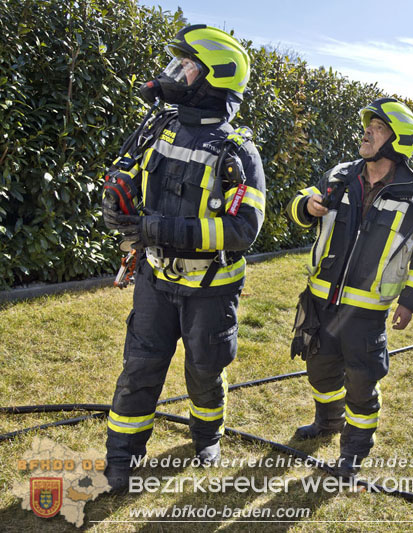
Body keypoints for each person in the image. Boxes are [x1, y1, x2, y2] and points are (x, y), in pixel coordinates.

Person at [100, 25, 265, 492]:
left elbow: (242, 230)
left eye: (186, 66)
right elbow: (127, 172)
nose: (175, 73)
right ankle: (122, 458)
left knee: (205, 369)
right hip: (155, 278)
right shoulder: (160, 126)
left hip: (210, 289)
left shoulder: (239, 152)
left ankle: (207, 436)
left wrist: (156, 228)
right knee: (139, 367)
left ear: (215, 78)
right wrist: (118, 196)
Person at [286, 97, 413, 476]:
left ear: (398, 140)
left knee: (361, 382)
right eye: (369, 125)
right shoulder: (340, 175)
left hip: (367, 312)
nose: (368, 132)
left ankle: (353, 453)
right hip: (321, 300)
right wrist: (306, 206)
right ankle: (328, 421)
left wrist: (410, 300)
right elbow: (301, 205)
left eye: (379, 127)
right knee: (320, 371)